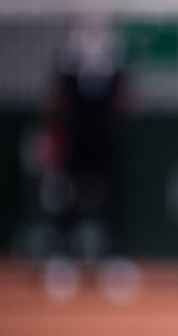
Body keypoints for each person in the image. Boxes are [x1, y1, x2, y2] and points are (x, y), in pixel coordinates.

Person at [41, 15, 139, 303]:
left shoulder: (116, 54)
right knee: (66, 197)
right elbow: (55, 99)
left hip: (106, 143)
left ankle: (115, 261)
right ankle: (61, 261)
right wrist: (55, 134)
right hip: (74, 141)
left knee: (115, 199)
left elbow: (127, 100)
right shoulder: (66, 55)